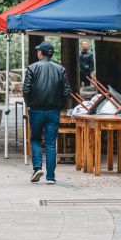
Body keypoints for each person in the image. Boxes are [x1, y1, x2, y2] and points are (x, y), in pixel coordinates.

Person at [23, 41, 71, 184]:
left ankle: (37, 168)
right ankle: (51, 177)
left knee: (36, 139)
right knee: (51, 143)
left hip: (36, 109)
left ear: (40, 53)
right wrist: (61, 105)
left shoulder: (32, 68)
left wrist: (29, 103)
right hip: (53, 110)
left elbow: (26, 89)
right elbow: (66, 91)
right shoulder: (60, 69)